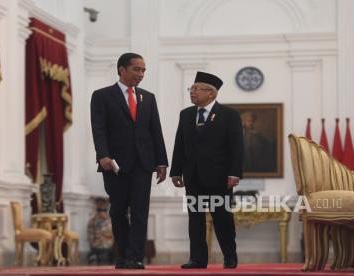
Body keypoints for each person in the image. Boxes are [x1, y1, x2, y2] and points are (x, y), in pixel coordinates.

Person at [90, 53, 168, 269]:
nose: (141, 74)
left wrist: (162, 162)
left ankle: (135, 257)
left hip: (143, 164)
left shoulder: (148, 98)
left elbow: (156, 132)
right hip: (114, 165)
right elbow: (99, 128)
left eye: (143, 70)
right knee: (118, 211)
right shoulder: (102, 95)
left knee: (140, 212)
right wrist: (102, 154)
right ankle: (123, 255)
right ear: (122, 70)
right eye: (136, 69)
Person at [170, 71, 243, 269]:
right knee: (195, 220)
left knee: (222, 219)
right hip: (192, 175)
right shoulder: (186, 114)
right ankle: (197, 259)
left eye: (197, 89)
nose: (192, 93)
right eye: (191, 89)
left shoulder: (229, 115)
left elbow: (236, 148)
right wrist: (175, 171)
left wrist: (235, 173)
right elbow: (180, 144)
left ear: (211, 93)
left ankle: (230, 256)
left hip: (220, 177)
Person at [87, 197, 114, 265]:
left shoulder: (110, 221)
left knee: (104, 256)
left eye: (103, 210)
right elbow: (90, 238)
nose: (101, 213)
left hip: (106, 247)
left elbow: (112, 237)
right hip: (96, 247)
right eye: (99, 210)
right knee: (93, 257)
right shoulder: (92, 222)